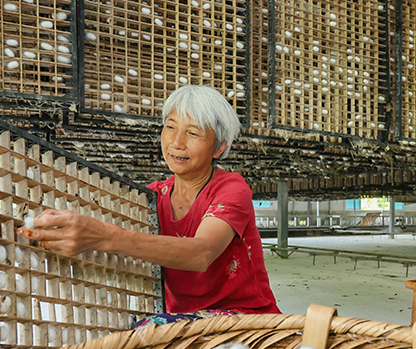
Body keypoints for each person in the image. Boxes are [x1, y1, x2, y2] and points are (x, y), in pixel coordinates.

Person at [18, 85, 280, 326]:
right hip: (183, 321)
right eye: (170, 127)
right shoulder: (153, 196)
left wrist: (103, 236)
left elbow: (201, 253)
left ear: (219, 147)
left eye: (193, 132)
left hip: (246, 318)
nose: (176, 143)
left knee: (147, 331)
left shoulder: (231, 189)